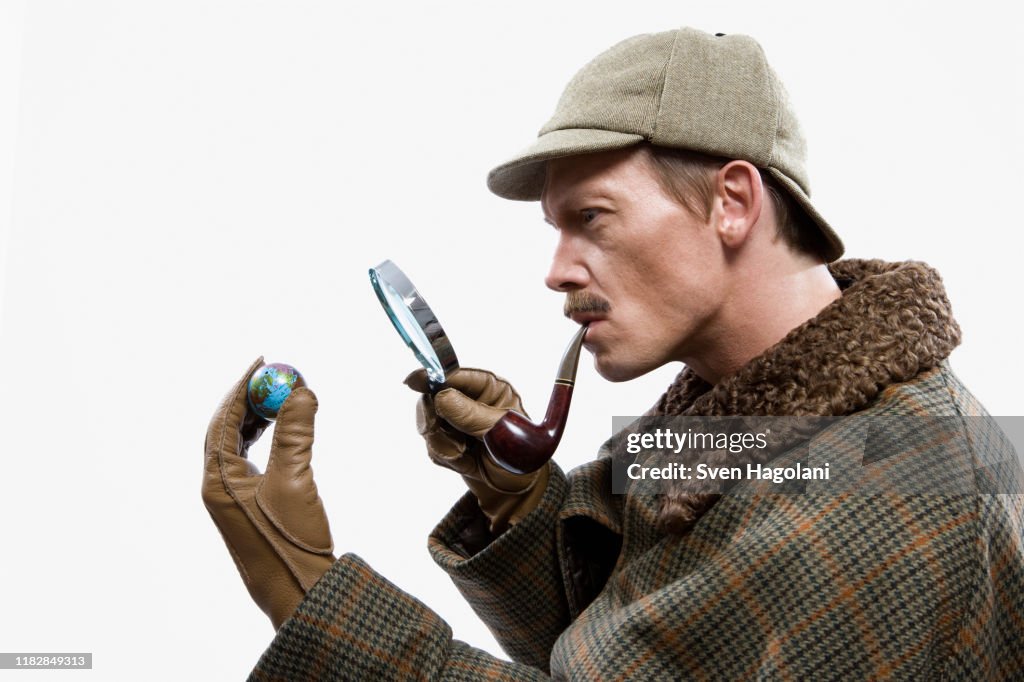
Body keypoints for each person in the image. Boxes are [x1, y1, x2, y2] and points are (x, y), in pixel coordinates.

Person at [202, 27, 1024, 680]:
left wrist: (307, 595)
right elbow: (643, 640)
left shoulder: (872, 499)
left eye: (591, 218)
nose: (557, 270)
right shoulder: (766, 415)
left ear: (733, 203)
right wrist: (520, 502)